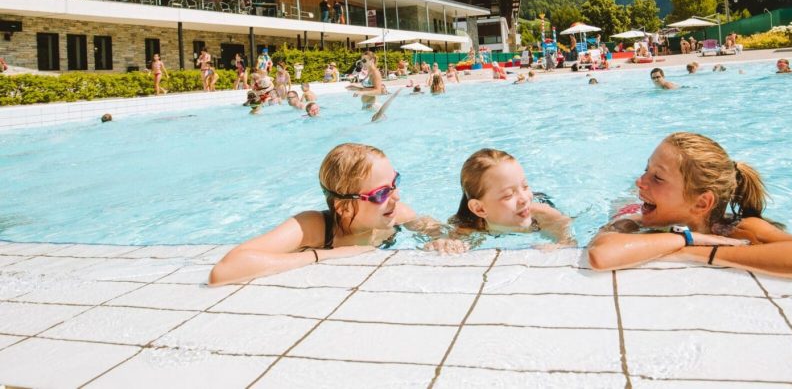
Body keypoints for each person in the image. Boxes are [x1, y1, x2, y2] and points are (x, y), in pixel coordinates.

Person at [587, 133, 792, 279]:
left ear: (701, 203)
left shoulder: (738, 228)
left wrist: (695, 251)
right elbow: (601, 255)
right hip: (634, 208)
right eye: (646, 170)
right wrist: (687, 239)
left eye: (657, 177)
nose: (640, 181)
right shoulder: (632, 221)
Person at [209, 143, 447, 285]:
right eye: (381, 193)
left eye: (395, 183)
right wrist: (323, 255)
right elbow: (224, 270)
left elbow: (437, 231)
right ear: (343, 207)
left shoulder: (397, 216)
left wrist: (441, 241)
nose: (396, 196)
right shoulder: (314, 227)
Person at [426, 148, 574, 250]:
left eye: (525, 186)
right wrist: (444, 244)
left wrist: (562, 244)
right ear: (480, 209)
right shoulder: (468, 226)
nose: (524, 199)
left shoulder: (542, 214)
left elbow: (566, 228)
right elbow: (447, 241)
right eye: (509, 195)